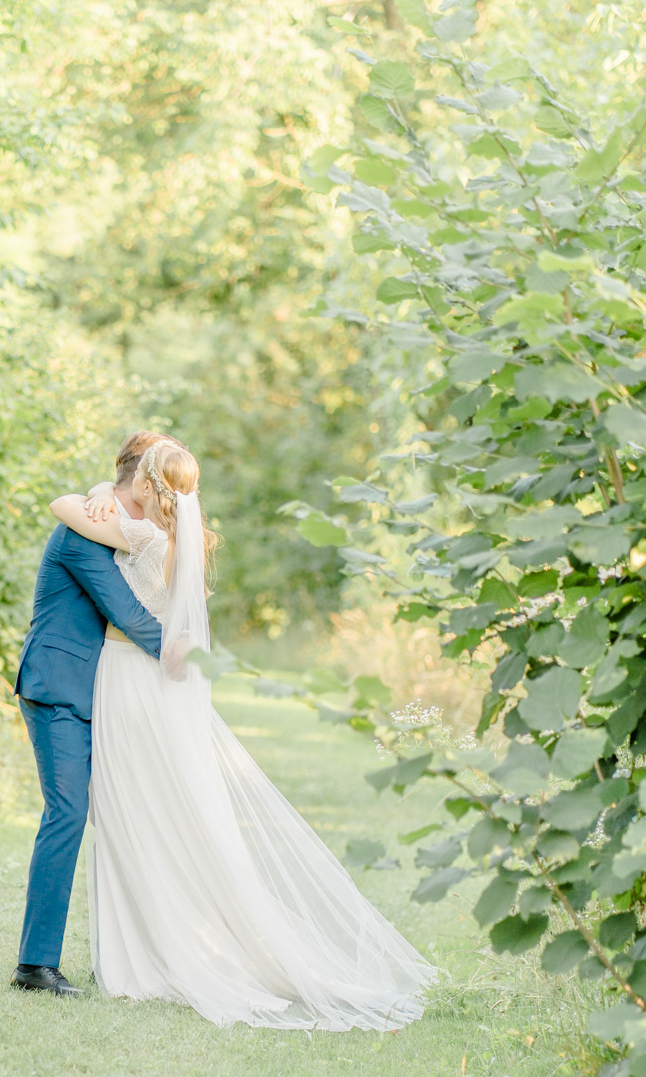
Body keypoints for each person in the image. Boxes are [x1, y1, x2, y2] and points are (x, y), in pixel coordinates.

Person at [46, 440, 435, 1030]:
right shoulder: (188, 543)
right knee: (160, 811)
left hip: (127, 679)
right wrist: (109, 494)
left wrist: (99, 493)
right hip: (156, 685)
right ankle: (155, 944)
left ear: (149, 486)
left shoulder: (142, 537)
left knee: (131, 815)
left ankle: (144, 954)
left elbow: (61, 506)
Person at [11, 432, 182, 997]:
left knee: (129, 814)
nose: (147, 514)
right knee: (68, 812)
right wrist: (183, 655)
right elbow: (127, 613)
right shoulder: (82, 535)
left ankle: (131, 956)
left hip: (106, 695)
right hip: (59, 688)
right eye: (143, 501)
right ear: (128, 486)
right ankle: (35, 965)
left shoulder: (116, 523)